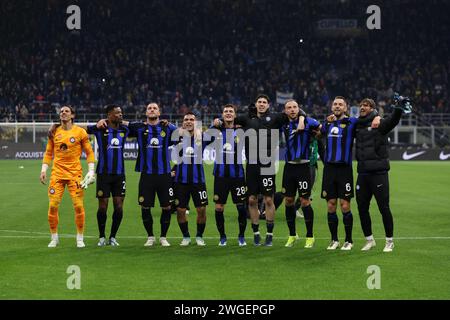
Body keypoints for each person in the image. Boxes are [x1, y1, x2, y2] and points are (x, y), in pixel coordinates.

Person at [214, 94, 305, 246]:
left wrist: (301, 119)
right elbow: (228, 119)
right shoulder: (246, 118)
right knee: (252, 199)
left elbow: (296, 112)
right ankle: (256, 233)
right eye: (259, 102)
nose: (262, 104)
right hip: (252, 165)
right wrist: (217, 121)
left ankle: (269, 234)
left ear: (268, 105)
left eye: (264, 102)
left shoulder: (276, 118)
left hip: (267, 164)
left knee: (269, 199)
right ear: (256, 104)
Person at [320, 96, 379, 250]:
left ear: (345, 108)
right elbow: (318, 134)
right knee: (331, 205)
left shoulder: (352, 122)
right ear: (332, 107)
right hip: (329, 170)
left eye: (340, 104)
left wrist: (378, 115)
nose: (337, 106)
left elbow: (369, 117)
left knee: (345, 205)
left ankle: (349, 240)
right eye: (335, 104)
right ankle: (334, 240)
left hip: (344, 169)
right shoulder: (327, 122)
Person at [355, 95, 412, 252]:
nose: (362, 107)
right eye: (361, 105)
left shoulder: (380, 124)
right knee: (361, 208)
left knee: (383, 208)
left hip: (379, 173)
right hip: (363, 173)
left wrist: (398, 108)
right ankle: (369, 240)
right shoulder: (357, 126)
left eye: (366, 105)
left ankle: (389, 241)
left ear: (372, 109)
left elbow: (393, 119)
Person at [40, 105, 95, 248]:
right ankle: (54, 238)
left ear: (72, 115)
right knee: (52, 206)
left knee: (78, 206)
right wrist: (44, 169)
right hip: (57, 175)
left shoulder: (80, 132)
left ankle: (80, 238)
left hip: (74, 175)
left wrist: (91, 171)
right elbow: (48, 153)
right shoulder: (54, 132)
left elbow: (89, 152)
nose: (63, 113)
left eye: (66, 111)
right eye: (61, 111)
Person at [127, 103, 178, 247]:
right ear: (146, 113)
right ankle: (150, 236)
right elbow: (121, 122)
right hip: (147, 175)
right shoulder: (140, 128)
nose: (152, 110)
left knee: (167, 207)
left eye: (154, 108)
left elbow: (182, 134)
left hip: (164, 175)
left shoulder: (167, 128)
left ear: (159, 112)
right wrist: (103, 121)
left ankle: (163, 237)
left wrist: (170, 123)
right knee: (145, 207)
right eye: (149, 108)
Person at [86, 104, 129, 247]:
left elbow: (143, 126)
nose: (120, 115)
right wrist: (55, 126)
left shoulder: (125, 129)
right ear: (109, 115)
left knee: (118, 206)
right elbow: (79, 130)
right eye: (117, 113)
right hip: (103, 174)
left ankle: (113, 237)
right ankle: (102, 236)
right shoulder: (100, 129)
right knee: (103, 207)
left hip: (119, 174)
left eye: (121, 112)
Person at [281, 100, 321, 248]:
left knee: (305, 201)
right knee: (288, 201)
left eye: (295, 107)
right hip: (289, 167)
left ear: (299, 108)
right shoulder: (283, 123)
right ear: (285, 111)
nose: (292, 110)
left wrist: (315, 133)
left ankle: (310, 236)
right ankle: (292, 235)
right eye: (289, 108)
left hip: (304, 167)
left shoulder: (309, 122)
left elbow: (321, 129)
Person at [208, 104, 248, 246]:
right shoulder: (216, 130)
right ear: (222, 114)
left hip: (237, 175)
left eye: (231, 111)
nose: (228, 113)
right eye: (226, 112)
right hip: (220, 176)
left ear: (235, 115)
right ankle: (222, 237)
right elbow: (204, 139)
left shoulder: (242, 130)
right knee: (219, 207)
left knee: (241, 207)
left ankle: (241, 236)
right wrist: (214, 124)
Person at [173, 112, 208, 246]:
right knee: (181, 210)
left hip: (198, 180)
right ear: (183, 123)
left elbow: (217, 131)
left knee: (202, 210)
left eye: (191, 119)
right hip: (181, 181)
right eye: (186, 119)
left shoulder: (203, 137)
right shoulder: (177, 137)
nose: (188, 121)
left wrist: (217, 123)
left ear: (196, 122)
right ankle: (186, 236)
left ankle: (199, 236)